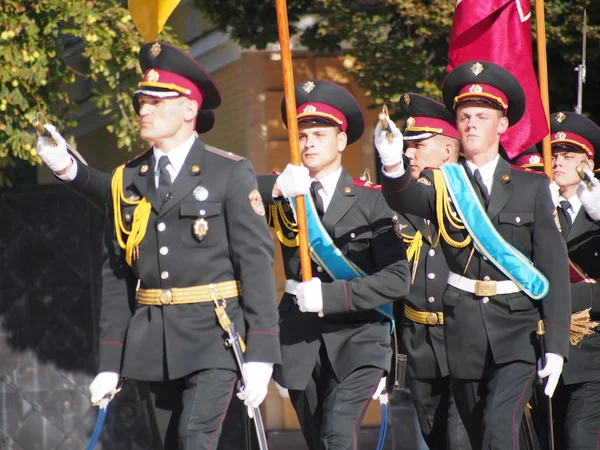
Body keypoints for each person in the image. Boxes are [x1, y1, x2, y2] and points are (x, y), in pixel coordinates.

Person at [43, 41, 281, 449]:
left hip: (216, 335)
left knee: (194, 438)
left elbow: (255, 265)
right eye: (141, 101)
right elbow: (117, 275)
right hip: (153, 341)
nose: (143, 110)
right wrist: (109, 362)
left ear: (190, 109)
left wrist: (261, 352)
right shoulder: (127, 179)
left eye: (156, 101)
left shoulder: (229, 173)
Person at [374, 61, 571, 449]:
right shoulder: (442, 181)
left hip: (517, 327)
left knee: (500, 427)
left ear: (502, 124)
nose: (471, 124)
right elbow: (405, 197)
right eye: (464, 116)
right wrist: (393, 163)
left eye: (482, 116)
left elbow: (552, 269)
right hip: (462, 327)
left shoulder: (532, 188)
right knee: (477, 433)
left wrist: (558, 345)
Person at [256, 79, 411, 449]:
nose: (308, 142)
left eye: (319, 134)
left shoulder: (372, 201)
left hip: (360, 337)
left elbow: (397, 279)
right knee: (318, 440)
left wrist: (330, 297)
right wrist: (277, 189)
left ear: (341, 141)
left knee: (336, 435)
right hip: (300, 339)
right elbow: (229, 194)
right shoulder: (284, 193)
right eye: (302, 135)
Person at [389, 93, 470, 449]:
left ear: (448, 152)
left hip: (469, 340)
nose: (409, 153)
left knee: (459, 436)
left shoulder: (474, 202)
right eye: (407, 145)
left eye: (419, 145)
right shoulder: (392, 205)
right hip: (418, 344)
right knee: (434, 436)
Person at [549, 111, 600, 450]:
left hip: (593, 349)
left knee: (579, 437)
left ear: (588, 164)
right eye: (553, 155)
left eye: (568, 156)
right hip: (544, 346)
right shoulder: (537, 209)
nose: (557, 162)